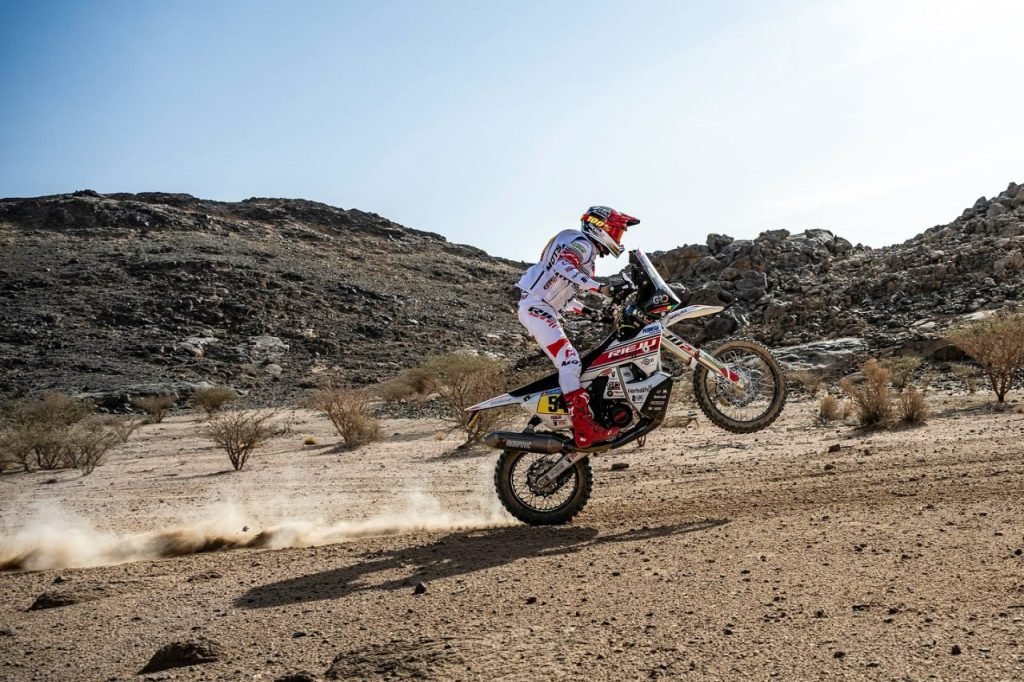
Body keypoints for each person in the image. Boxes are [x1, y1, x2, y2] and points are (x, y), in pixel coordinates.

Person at [516, 206, 639, 447]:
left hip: (541, 306)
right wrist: (601, 287)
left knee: (576, 363)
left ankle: (585, 417)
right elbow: (564, 266)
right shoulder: (583, 244)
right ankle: (584, 428)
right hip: (537, 309)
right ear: (600, 227)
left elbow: (564, 295)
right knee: (570, 361)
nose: (617, 238)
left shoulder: (581, 247)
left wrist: (591, 313)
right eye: (616, 232)